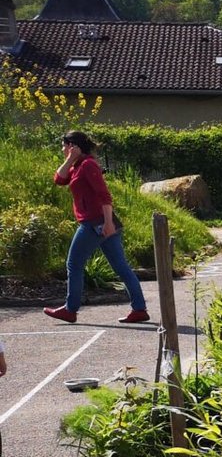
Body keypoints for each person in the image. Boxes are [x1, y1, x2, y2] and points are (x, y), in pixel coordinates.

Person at [46, 131, 150, 325]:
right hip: (100, 223)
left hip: (95, 223)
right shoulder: (77, 166)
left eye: (64, 146)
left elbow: (104, 196)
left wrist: (109, 223)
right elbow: (59, 180)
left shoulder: (88, 166)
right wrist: (71, 159)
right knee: (121, 266)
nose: (62, 149)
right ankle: (139, 309)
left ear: (73, 145)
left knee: (73, 264)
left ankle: (70, 310)